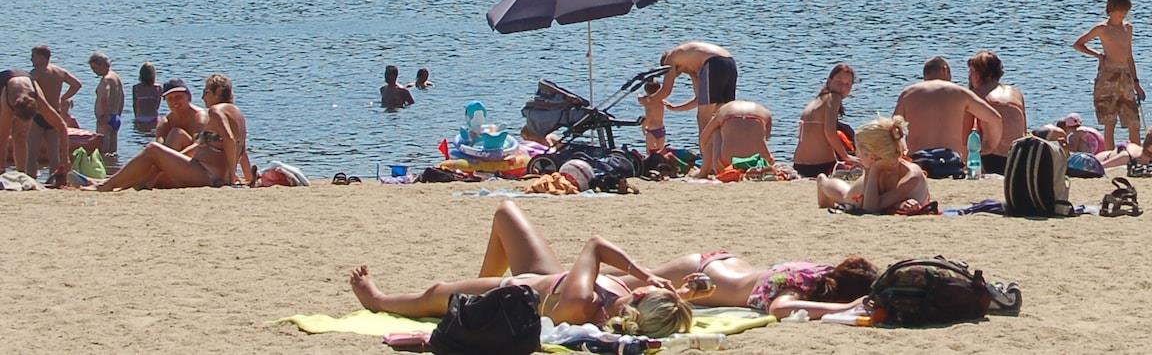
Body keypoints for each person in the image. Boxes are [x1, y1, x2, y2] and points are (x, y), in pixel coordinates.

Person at [347, 201, 691, 336]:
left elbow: (595, 245)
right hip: (547, 278)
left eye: (652, 290)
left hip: (517, 294)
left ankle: (377, 299)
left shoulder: (582, 302)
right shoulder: (624, 301)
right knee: (506, 213)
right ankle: (477, 288)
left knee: (435, 295)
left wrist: (646, 274)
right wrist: (684, 295)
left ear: (643, 298)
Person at [96, 73, 253, 190]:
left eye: (205, 92)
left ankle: (108, 185)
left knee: (152, 149)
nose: (203, 98)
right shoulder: (238, 114)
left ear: (217, 92)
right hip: (210, 173)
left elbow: (230, 140)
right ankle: (112, 182)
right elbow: (241, 150)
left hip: (207, 174)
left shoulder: (215, 111)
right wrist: (249, 179)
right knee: (161, 151)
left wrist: (230, 179)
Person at [648, 251, 879, 320]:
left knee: (639, 277)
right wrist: (845, 307)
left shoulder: (820, 273)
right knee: (630, 284)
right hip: (700, 272)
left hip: (723, 266)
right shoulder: (801, 286)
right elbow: (779, 308)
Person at [814, 116, 933, 214]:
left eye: (859, 152)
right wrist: (873, 170)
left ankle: (824, 182)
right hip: (874, 186)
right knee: (847, 197)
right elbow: (870, 207)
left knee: (849, 197)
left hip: (880, 191)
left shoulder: (911, 176)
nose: (857, 155)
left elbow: (871, 208)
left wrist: (873, 170)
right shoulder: (876, 168)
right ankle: (822, 181)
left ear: (870, 156)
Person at [893, 56, 1004, 157]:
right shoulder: (960, 92)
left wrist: (902, 152)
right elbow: (995, 118)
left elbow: (892, 129)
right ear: (945, 70)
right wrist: (989, 147)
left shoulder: (908, 93)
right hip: (950, 162)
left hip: (918, 161)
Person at [1073, 0, 1143, 148]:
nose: (1123, 14)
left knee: (1133, 121)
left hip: (1125, 77)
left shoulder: (1128, 28)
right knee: (1109, 121)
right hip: (1108, 77)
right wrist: (1098, 55)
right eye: (1120, 10)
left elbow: (1129, 56)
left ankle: (1137, 155)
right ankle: (1109, 155)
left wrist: (1136, 83)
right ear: (1111, 9)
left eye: (1126, 11)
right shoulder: (1102, 28)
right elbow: (1078, 44)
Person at [659, 41, 739, 142]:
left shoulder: (671, 58)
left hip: (714, 63)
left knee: (704, 119)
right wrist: (676, 108)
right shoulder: (693, 67)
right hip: (730, 62)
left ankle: (705, 151)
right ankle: (723, 149)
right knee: (720, 116)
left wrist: (651, 99)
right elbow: (700, 99)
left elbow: (665, 90)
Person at [1, 67, 69, 183]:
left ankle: (21, 175)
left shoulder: (40, 102)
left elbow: (62, 127)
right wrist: (1, 170)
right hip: (4, 84)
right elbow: (2, 140)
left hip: (27, 83)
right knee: (4, 134)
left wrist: (65, 159)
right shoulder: (8, 105)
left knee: (20, 135)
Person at [966, 50, 1028, 175]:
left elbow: (965, 136)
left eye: (971, 72)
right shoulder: (1016, 93)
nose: (969, 76)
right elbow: (1024, 131)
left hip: (990, 160)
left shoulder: (975, 95)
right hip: (1019, 158)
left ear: (977, 74)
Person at [793, 63, 858, 179]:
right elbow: (830, 132)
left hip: (799, 165)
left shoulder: (817, 101)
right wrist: (846, 157)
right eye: (839, 82)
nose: (843, 87)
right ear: (829, 81)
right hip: (822, 166)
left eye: (848, 84)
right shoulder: (834, 98)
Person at [699, 100, 777, 175]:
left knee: (715, 131)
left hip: (728, 164)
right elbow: (766, 137)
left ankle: (704, 172)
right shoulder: (766, 112)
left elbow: (704, 137)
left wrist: (704, 154)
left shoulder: (722, 111)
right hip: (761, 163)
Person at [87, 52, 124, 168]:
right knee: (113, 152)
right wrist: (118, 114)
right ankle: (113, 169)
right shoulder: (116, 77)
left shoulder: (106, 80)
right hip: (115, 117)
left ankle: (105, 172)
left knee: (103, 152)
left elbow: (104, 98)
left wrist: (104, 116)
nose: (94, 71)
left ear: (103, 64)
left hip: (105, 119)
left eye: (95, 68)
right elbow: (122, 96)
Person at [151, 78, 205, 151]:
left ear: (189, 97)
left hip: (197, 156)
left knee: (177, 134)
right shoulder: (166, 122)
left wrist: (176, 156)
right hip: (174, 156)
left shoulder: (200, 116)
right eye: (170, 98)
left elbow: (199, 146)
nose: (174, 101)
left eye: (178, 97)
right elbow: (158, 147)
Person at [130, 63, 164, 142]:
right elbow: (157, 105)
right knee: (153, 140)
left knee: (140, 140)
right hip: (153, 118)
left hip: (140, 118)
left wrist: (137, 117)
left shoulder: (136, 88)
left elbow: (134, 105)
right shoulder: (158, 88)